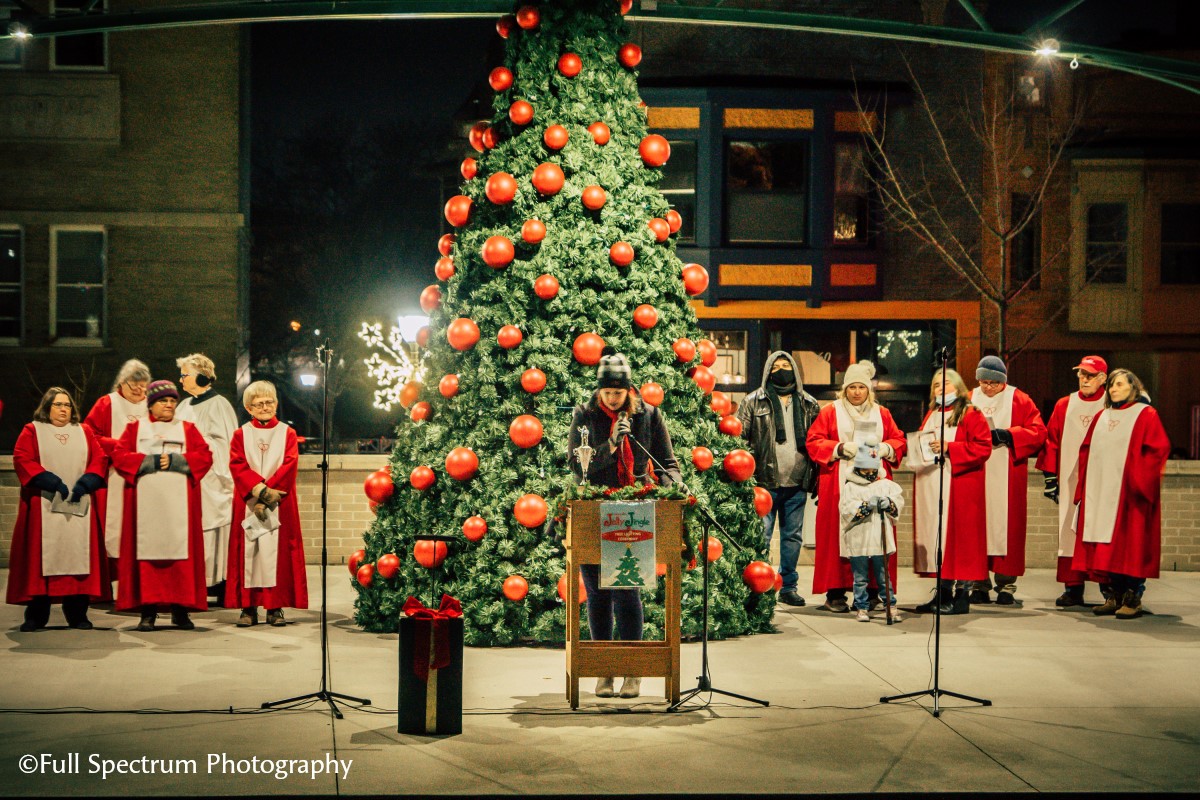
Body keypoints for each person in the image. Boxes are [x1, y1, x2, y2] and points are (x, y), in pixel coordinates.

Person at [568, 351, 681, 699]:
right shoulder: (584, 416)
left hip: (633, 512)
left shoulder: (649, 415)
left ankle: (633, 670)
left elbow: (666, 461)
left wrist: (673, 483)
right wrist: (611, 445)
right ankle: (604, 671)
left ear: (629, 390)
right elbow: (577, 467)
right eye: (607, 393)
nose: (613, 399)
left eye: (619, 393)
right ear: (599, 390)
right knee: (598, 594)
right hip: (594, 509)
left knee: (627, 591)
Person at [111, 380, 213, 631]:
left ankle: (181, 611)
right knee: (146, 558)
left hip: (180, 507)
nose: (169, 405)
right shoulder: (135, 428)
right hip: (145, 508)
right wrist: (151, 461)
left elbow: (205, 455)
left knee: (181, 560)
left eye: (172, 401)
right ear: (151, 405)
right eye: (163, 401)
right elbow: (120, 455)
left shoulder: (187, 429)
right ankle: (148, 612)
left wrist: (178, 461)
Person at [807, 360, 906, 613]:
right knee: (836, 535)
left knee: (875, 532)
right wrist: (838, 448)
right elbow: (814, 441)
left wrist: (887, 448)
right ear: (845, 389)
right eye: (852, 387)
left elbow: (898, 438)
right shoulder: (830, 412)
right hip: (839, 483)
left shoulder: (882, 413)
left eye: (861, 387)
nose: (857, 392)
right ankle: (836, 592)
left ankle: (873, 592)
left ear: (868, 390)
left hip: (875, 483)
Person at [7, 388, 109, 631]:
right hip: (43, 505)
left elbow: (100, 458)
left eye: (67, 405)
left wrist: (88, 481)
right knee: (40, 560)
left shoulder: (83, 431)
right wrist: (49, 480)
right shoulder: (33, 430)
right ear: (47, 407)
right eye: (58, 405)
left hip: (78, 505)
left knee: (79, 556)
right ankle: (36, 615)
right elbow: (22, 458)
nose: (64, 409)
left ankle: (77, 615)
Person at [1072, 369, 1170, 619]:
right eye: (1111, 386)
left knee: (1130, 546)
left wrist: (1134, 476)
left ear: (1133, 388)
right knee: (1106, 548)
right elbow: (1086, 450)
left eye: (1118, 385)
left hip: (1129, 496)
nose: (1112, 389)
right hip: (1101, 493)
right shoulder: (1101, 416)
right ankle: (1113, 594)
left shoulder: (1146, 415)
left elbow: (1157, 450)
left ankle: (1132, 597)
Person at [736, 351, 819, 608]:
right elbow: (739, 439)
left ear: (795, 370)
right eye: (776, 366)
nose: (781, 370)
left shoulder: (809, 404)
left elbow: (817, 443)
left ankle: (789, 587)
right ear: (767, 371)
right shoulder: (752, 401)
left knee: (792, 537)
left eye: (786, 365)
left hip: (797, 483)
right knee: (760, 535)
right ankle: (758, 586)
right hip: (764, 482)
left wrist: (814, 477)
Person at [225, 381, 308, 627]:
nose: (265, 406)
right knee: (249, 553)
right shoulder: (240, 434)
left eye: (269, 401)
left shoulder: (287, 433)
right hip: (248, 500)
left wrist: (270, 493)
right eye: (258, 403)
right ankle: (248, 608)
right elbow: (237, 464)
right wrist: (259, 489)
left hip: (279, 499)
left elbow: (290, 463)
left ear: (276, 404)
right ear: (249, 408)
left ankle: (275, 608)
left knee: (277, 555)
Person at [910, 368, 991, 615]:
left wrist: (950, 448)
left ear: (958, 385)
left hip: (960, 487)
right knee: (940, 541)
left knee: (961, 542)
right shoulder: (933, 414)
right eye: (936, 385)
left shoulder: (971, 413)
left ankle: (961, 597)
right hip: (934, 486)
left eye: (945, 383)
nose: (940, 389)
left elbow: (983, 447)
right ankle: (942, 594)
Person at [967, 356, 1048, 606]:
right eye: (983, 382)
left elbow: (1038, 431)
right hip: (976, 471)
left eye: (993, 383)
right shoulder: (969, 398)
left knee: (1007, 527)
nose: (988, 387)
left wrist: (1008, 434)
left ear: (1004, 382)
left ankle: (1006, 585)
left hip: (1008, 471)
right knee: (977, 525)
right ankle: (979, 583)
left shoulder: (1019, 399)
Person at [1036, 355, 1110, 607]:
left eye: (1090, 375)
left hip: (1101, 481)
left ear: (1102, 378)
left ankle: (1107, 589)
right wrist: (1050, 477)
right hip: (1070, 479)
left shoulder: (1111, 403)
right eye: (1081, 374)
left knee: (1099, 530)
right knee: (1069, 531)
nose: (1084, 379)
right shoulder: (1064, 404)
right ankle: (1073, 587)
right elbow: (1051, 441)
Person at [175, 353, 239, 599]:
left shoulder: (219, 404)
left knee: (214, 530)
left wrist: (199, 449)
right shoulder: (184, 405)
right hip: (188, 476)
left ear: (202, 376)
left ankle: (217, 582)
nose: (181, 381)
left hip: (212, 479)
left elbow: (227, 443)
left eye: (185, 375)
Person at [83, 359, 151, 562]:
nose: (139, 390)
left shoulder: (152, 405)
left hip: (145, 474)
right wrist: (120, 446)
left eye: (143, 385)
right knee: (115, 527)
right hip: (114, 475)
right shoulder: (106, 403)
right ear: (122, 383)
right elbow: (89, 435)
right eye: (134, 385)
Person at [838, 438, 905, 622]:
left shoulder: (885, 485)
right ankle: (861, 607)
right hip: (859, 538)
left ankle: (891, 606)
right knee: (860, 577)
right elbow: (846, 508)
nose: (869, 474)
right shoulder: (851, 487)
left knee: (884, 576)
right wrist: (866, 506)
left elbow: (898, 502)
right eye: (865, 470)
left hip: (879, 539)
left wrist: (889, 503)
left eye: (872, 470)